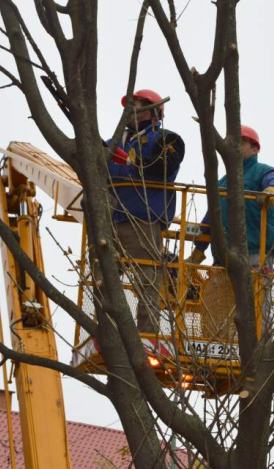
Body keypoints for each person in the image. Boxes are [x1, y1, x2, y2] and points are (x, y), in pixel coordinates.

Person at [187, 125, 274, 335]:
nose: (234, 147)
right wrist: (198, 250)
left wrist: (272, 191)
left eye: (241, 142)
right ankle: (215, 346)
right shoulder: (222, 182)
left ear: (255, 148)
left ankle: (259, 345)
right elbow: (211, 218)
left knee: (255, 305)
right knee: (215, 304)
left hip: (254, 254)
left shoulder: (263, 172)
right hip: (223, 259)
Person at [105, 89, 185, 334]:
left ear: (151, 112)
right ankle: (107, 329)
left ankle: (147, 335)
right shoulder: (115, 141)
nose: (128, 110)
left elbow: (162, 166)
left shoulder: (165, 139)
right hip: (111, 218)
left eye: (135, 105)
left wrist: (130, 160)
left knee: (147, 279)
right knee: (104, 276)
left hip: (142, 219)